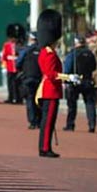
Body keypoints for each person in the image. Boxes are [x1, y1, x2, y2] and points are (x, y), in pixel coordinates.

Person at [36, 9, 65, 157]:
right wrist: (67, 77)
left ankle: (45, 146)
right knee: (48, 122)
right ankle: (45, 147)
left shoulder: (46, 52)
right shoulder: (48, 53)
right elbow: (51, 74)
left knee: (48, 121)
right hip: (50, 91)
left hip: (50, 90)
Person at [63, 35, 97, 133]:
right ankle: (92, 124)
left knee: (72, 104)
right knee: (90, 104)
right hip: (87, 80)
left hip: (75, 80)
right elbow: (93, 66)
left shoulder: (72, 54)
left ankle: (70, 124)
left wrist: (66, 79)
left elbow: (67, 67)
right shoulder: (90, 53)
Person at [16, 32, 42, 129]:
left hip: (28, 78)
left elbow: (18, 63)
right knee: (39, 100)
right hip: (39, 78)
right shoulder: (42, 50)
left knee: (30, 100)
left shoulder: (26, 50)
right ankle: (39, 120)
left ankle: (32, 121)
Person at [1, 24, 24, 104]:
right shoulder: (7, 45)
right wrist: (4, 63)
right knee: (10, 84)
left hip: (18, 67)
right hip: (10, 66)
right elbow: (4, 55)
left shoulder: (20, 45)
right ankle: (11, 98)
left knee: (18, 84)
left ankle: (19, 98)